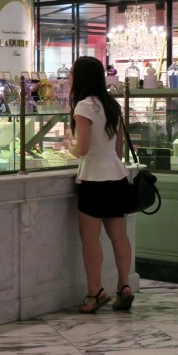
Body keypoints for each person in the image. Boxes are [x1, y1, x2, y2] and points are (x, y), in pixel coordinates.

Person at [68, 55, 134, 313]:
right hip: (116, 175)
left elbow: (83, 148)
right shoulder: (112, 105)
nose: (69, 77)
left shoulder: (83, 106)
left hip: (94, 178)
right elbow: (117, 148)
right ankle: (124, 286)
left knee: (90, 239)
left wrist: (69, 146)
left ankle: (95, 293)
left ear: (80, 77)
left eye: (72, 73)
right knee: (119, 236)